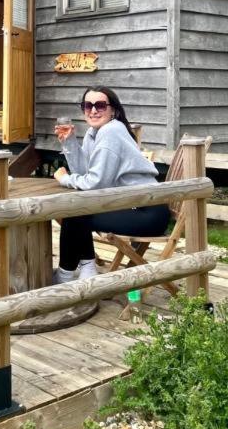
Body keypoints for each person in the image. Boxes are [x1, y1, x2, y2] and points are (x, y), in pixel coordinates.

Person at [52, 86, 170, 282]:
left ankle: (67, 274)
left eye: (100, 105)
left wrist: (65, 179)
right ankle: (84, 271)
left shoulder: (111, 131)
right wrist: (69, 143)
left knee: (74, 213)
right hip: (129, 206)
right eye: (87, 105)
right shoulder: (94, 132)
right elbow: (84, 174)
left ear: (113, 110)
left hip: (147, 212)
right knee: (76, 211)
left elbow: (96, 184)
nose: (93, 110)